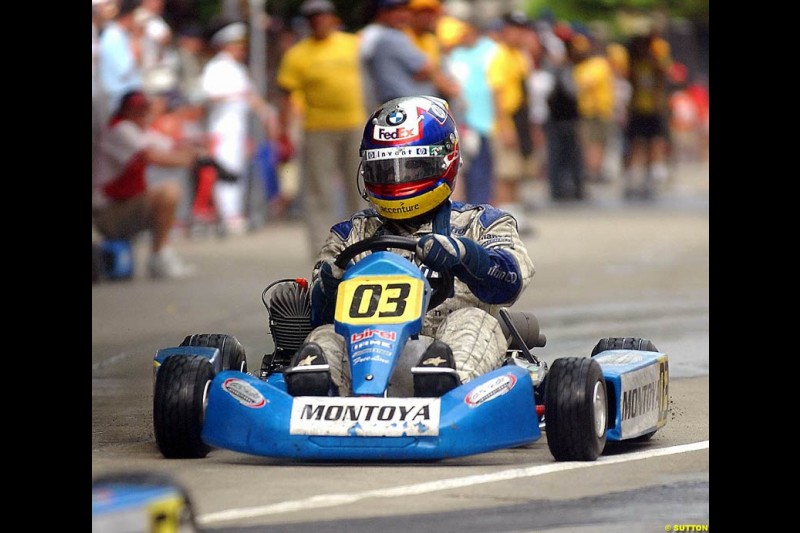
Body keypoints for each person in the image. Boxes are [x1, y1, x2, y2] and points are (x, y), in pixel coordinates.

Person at [277, 95, 535, 397]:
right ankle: (316, 395)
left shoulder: (483, 222)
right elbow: (319, 316)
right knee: (324, 335)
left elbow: (510, 282)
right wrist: (330, 285)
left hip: (445, 343)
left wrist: (464, 255)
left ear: (444, 160)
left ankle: (446, 390)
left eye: (411, 168)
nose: (398, 181)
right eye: (386, 171)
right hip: (365, 351)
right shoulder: (353, 234)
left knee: (474, 320)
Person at [275, 0, 367, 258]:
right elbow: (285, 94)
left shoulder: (351, 44)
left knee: (359, 185)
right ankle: (322, 248)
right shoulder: (298, 54)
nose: (319, 21)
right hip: (318, 128)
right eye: (313, 18)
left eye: (323, 16)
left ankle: (363, 242)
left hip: (354, 124)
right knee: (319, 191)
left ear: (332, 18)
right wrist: (283, 131)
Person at [92, 90, 200, 279]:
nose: (142, 114)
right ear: (125, 111)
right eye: (136, 110)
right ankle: (159, 257)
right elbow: (152, 156)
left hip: (120, 207)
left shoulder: (139, 130)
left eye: (144, 110)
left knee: (168, 190)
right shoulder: (120, 129)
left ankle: (161, 255)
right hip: (103, 213)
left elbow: (171, 145)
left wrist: (196, 149)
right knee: (168, 191)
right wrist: (189, 159)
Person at [200, 21, 274, 235]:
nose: (241, 50)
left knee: (238, 170)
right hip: (222, 126)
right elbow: (209, 96)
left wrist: (266, 113)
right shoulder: (216, 67)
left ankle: (234, 213)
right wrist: (235, 96)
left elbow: (251, 96)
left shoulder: (239, 69)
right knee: (226, 170)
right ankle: (228, 215)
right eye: (236, 45)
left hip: (239, 127)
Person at [486, 11, 534, 232]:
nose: (520, 35)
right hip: (508, 120)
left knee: (517, 172)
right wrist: (505, 127)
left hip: (522, 119)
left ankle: (517, 214)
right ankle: (504, 219)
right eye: (515, 30)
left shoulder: (520, 56)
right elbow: (497, 95)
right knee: (505, 173)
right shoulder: (500, 57)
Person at [358, 0, 448, 113]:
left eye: (405, 10)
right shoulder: (387, 35)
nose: (403, 15)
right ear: (382, 12)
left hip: (396, 106)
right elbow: (426, 68)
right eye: (396, 10)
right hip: (402, 108)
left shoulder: (378, 34)